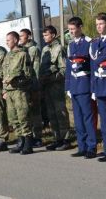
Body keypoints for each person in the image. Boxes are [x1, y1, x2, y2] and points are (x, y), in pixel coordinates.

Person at [65, 17, 97, 159]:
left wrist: (93, 87)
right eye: (69, 29)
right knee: (77, 119)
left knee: (88, 117)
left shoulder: (89, 43)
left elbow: (93, 65)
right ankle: (81, 146)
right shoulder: (70, 45)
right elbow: (68, 67)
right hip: (74, 85)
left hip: (85, 84)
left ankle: (91, 146)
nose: (71, 31)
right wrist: (68, 86)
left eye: (73, 29)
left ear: (80, 27)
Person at [39, 25, 72, 151]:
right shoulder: (45, 49)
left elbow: (64, 69)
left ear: (53, 35)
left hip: (56, 85)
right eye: (43, 35)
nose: (44, 37)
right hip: (46, 86)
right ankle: (57, 138)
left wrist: (52, 78)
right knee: (51, 113)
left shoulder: (59, 48)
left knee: (60, 112)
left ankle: (66, 139)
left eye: (46, 35)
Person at [3, 31, 33, 155]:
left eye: (9, 40)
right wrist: (4, 89)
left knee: (23, 117)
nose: (7, 42)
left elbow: (28, 75)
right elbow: (4, 74)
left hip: (20, 90)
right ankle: (20, 142)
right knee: (13, 118)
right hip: (9, 92)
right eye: (6, 40)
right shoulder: (7, 55)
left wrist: (15, 79)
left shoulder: (23, 54)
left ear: (15, 40)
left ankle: (28, 144)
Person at [19, 28, 43, 147]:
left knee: (35, 112)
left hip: (32, 85)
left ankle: (37, 137)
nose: (20, 38)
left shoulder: (33, 49)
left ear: (28, 36)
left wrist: (35, 87)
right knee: (26, 112)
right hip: (24, 86)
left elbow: (36, 69)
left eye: (22, 36)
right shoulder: (21, 50)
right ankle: (29, 135)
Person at [90, 12, 106, 162]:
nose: (99, 27)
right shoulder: (95, 43)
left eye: (101, 24)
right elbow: (94, 66)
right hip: (100, 87)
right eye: (97, 25)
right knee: (104, 121)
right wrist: (93, 89)